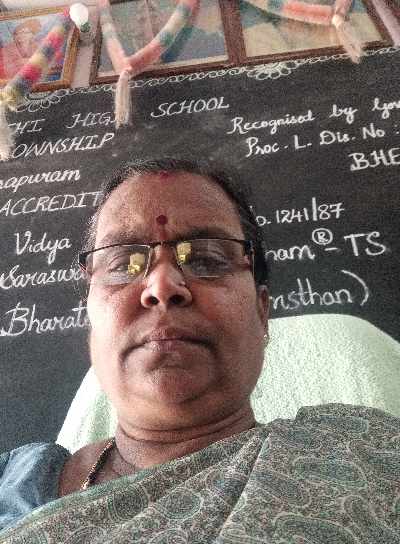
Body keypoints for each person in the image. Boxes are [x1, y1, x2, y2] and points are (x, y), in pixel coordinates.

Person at [1, 157, 399, 543]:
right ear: (89, 313)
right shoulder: (14, 480)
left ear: (262, 312)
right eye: (123, 262)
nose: (161, 286)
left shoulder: (364, 452)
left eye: (207, 259)